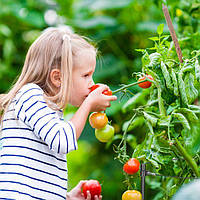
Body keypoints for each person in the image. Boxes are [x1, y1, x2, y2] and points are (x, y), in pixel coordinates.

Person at [0, 27, 117, 199]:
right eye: (86, 75)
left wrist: (68, 197)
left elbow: (40, 180)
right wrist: (89, 104)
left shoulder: (50, 111)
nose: (92, 83)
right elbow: (62, 140)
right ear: (58, 78)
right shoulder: (30, 95)